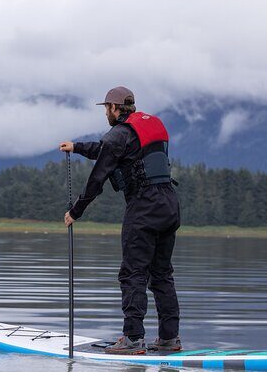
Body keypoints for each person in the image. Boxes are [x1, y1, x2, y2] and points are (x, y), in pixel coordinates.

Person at [59, 86, 181, 355]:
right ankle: (170, 339)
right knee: (161, 275)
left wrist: (75, 211)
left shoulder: (118, 134)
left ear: (115, 109)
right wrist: (77, 147)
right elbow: (109, 151)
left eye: (106, 108)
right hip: (169, 205)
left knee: (133, 274)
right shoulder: (149, 127)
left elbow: (97, 179)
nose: (105, 112)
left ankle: (133, 339)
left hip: (144, 208)